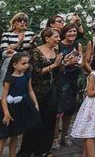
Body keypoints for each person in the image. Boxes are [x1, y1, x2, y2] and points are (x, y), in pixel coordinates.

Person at [18, 28, 63, 157]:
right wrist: (54, 65)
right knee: (35, 121)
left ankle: (43, 150)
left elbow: (58, 71)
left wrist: (64, 63)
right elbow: (35, 72)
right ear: (47, 38)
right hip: (38, 91)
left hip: (52, 90)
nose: (58, 39)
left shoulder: (56, 50)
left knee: (49, 121)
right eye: (56, 37)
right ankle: (27, 151)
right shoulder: (36, 52)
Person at [0, 52, 40, 157]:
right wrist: (6, 113)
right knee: (3, 136)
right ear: (14, 65)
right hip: (9, 108)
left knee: (15, 134)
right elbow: (3, 97)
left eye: (27, 63)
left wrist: (35, 103)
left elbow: (30, 90)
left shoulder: (27, 75)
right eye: (23, 63)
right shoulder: (9, 79)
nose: (26, 65)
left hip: (20, 107)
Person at [53, 23, 84, 149]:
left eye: (74, 32)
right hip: (61, 80)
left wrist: (78, 62)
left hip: (73, 79)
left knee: (70, 110)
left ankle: (64, 136)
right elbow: (56, 66)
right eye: (70, 31)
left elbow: (82, 63)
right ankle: (55, 137)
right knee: (58, 110)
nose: (72, 34)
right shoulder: (58, 45)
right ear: (64, 32)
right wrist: (67, 62)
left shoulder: (78, 45)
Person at [0, 14, 36, 87]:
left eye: (24, 21)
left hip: (26, 63)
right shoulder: (7, 34)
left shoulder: (30, 34)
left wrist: (34, 44)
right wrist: (19, 42)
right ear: (14, 22)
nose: (22, 22)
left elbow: (33, 50)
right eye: (19, 20)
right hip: (10, 63)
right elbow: (3, 52)